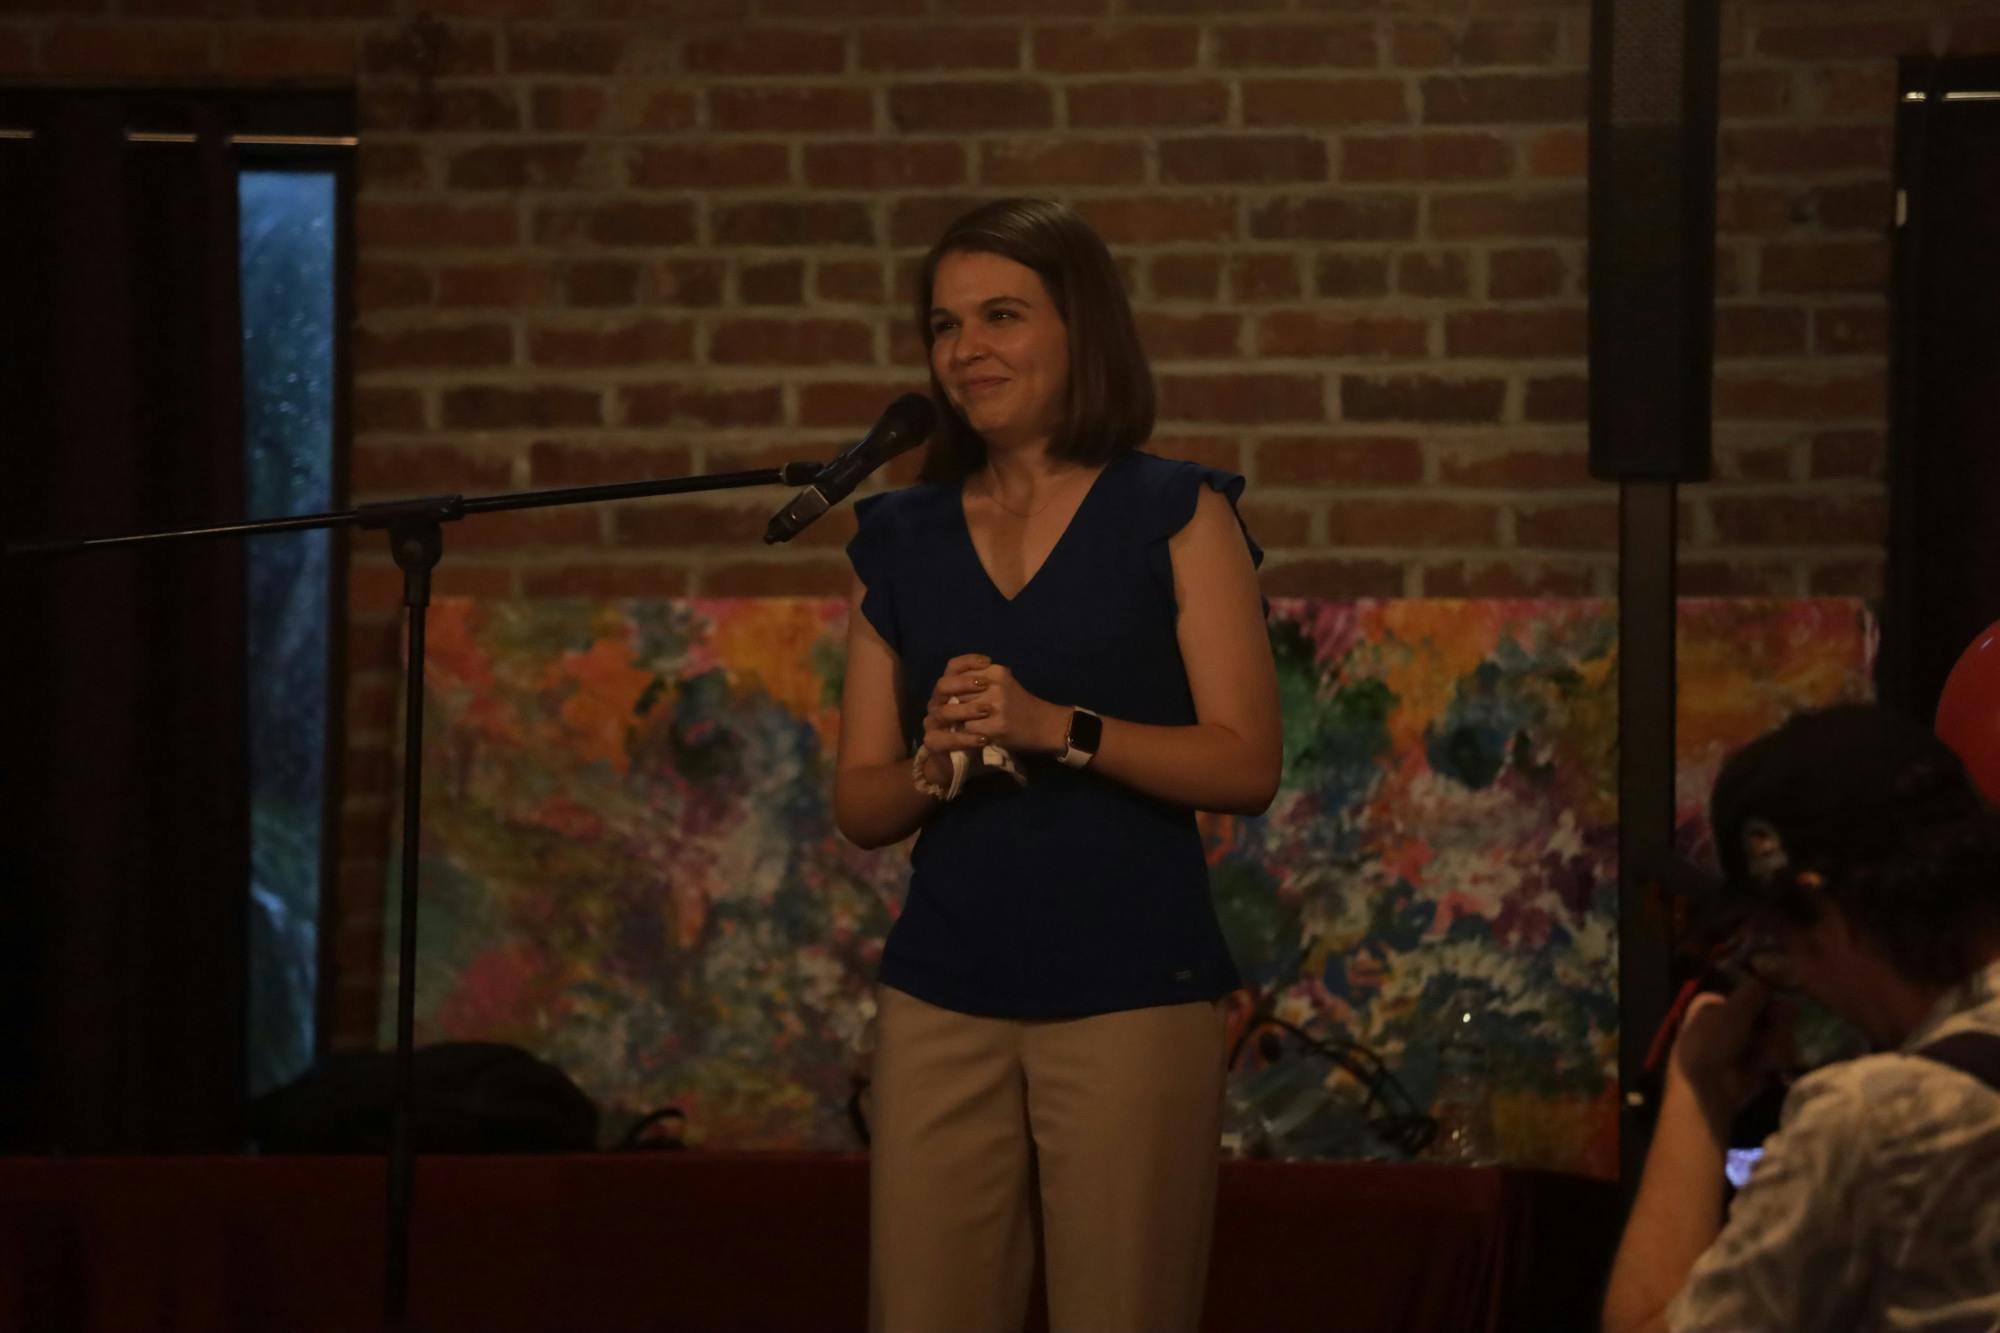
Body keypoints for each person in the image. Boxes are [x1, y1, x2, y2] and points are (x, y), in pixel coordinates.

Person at [831, 197, 1281, 1333]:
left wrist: (1056, 726)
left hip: (1131, 983)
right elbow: (860, 801)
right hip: (940, 989)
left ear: (1079, 327)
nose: (964, 350)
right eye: (943, 325)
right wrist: (940, 762)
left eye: (999, 316)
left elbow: (1246, 763)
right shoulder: (898, 536)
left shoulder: (1173, 510)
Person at [1602, 703, 2000, 1333]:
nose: (1801, 984)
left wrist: (1697, 1087)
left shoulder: (1876, 1116)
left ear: (1823, 908)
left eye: (1780, 944)